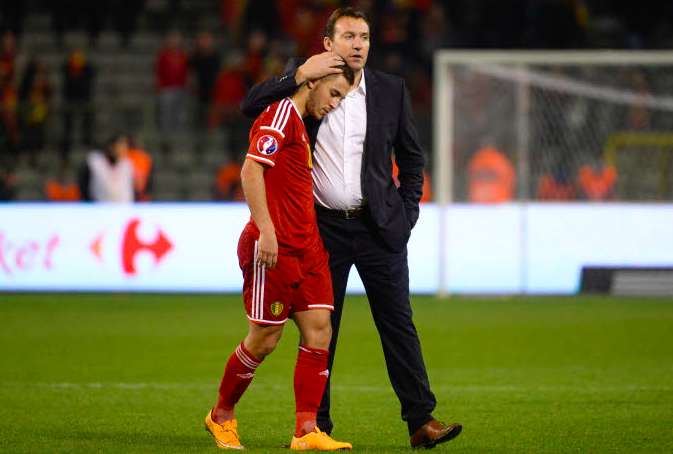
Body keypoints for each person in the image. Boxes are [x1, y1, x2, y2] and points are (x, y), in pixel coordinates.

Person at [241, 7, 462, 449]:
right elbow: (250, 105)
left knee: (398, 324)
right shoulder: (308, 83)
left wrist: (406, 216)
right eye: (348, 36)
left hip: (380, 228)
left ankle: (421, 421)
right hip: (324, 229)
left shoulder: (390, 90)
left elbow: (412, 159)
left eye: (364, 36)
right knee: (323, 328)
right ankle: (316, 426)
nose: (358, 44)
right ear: (328, 43)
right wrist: (298, 73)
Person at [204, 65, 356, 451]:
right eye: (334, 94)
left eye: (341, 98)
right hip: (274, 249)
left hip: (308, 248)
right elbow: (250, 169)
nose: (335, 104)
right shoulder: (280, 115)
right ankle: (221, 415)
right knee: (265, 339)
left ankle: (306, 430)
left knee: (320, 329)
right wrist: (266, 229)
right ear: (312, 82)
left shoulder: (301, 125)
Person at [78, 134, 133, 202]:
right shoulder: (95, 161)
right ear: (111, 147)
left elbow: (132, 189)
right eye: (120, 146)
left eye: (125, 147)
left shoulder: (127, 164)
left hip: (123, 206)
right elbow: (84, 186)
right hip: (98, 206)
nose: (122, 150)